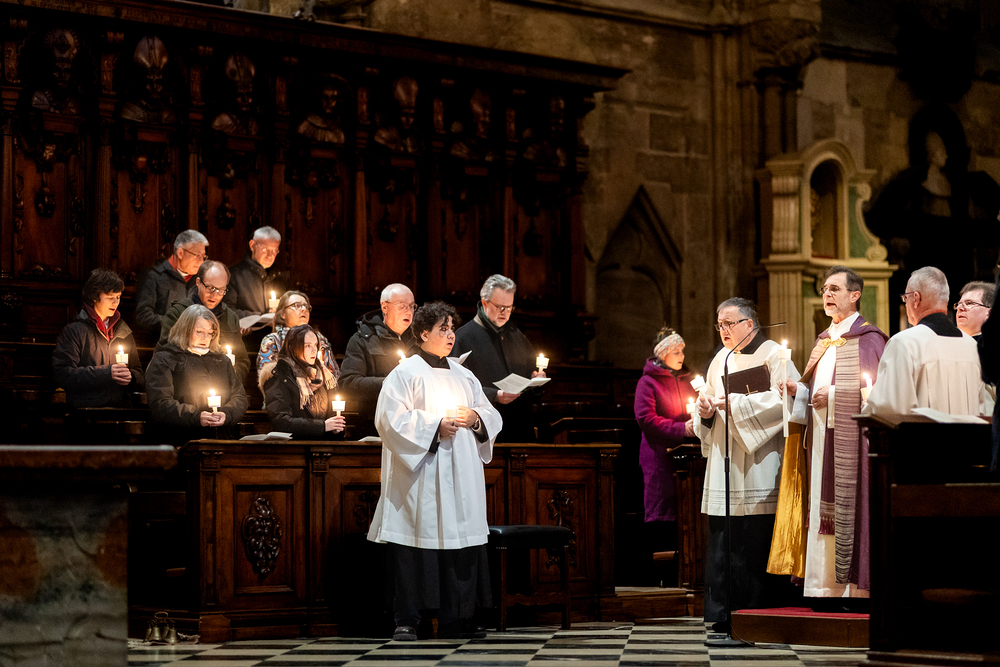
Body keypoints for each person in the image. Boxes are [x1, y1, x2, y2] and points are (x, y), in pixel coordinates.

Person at [368, 301, 502, 641]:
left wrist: (475, 418)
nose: (450, 335)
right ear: (423, 333)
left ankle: (457, 618)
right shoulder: (405, 374)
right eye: (442, 329)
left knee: (460, 542)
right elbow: (389, 421)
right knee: (415, 544)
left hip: (460, 473)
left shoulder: (464, 374)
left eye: (452, 328)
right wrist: (434, 426)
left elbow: (491, 414)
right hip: (422, 475)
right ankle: (408, 619)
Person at [776, 266, 887, 607]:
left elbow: (877, 393)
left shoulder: (870, 339)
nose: (827, 294)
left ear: (855, 295)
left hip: (852, 444)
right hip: (821, 443)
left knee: (851, 508)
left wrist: (836, 395)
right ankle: (822, 588)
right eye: (825, 289)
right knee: (820, 509)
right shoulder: (823, 341)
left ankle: (854, 590)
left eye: (835, 289)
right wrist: (798, 391)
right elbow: (813, 394)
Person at [693, 297, 800, 632]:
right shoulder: (720, 359)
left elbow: (786, 400)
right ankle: (723, 613)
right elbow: (707, 403)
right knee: (724, 540)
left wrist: (736, 404)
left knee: (754, 540)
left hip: (759, 463)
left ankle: (757, 611)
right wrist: (705, 411)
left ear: (749, 324)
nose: (723, 330)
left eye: (729, 323)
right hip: (725, 461)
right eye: (719, 324)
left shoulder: (774, 354)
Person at [862, 267, 984, 418]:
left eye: (905, 298)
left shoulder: (904, 343)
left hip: (923, 434)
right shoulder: (972, 347)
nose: (905, 303)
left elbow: (888, 410)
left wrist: (867, 407)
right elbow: (983, 411)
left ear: (916, 298)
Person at [633, 327, 696, 584]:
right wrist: (682, 429)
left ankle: (686, 572)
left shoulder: (687, 380)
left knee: (686, 513)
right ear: (663, 354)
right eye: (676, 352)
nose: (682, 356)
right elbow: (646, 419)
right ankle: (661, 577)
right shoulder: (648, 382)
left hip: (686, 457)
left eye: (682, 351)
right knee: (663, 514)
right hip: (659, 458)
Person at [451, 275, 546, 442]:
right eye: (500, 307)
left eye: (509, 307)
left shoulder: (516, 335)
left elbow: (531, 374)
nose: (505, 313)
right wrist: (494, 395)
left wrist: (536, 380)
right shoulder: (463, 338)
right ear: (484, 302)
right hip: (486, 430)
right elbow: (457, 386)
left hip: (520, 426)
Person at [146, 305, 248, 444]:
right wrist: (196, 417)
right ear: (185, 329)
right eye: (199, 332)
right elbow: (160, 403)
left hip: (221, 438)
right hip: (181, 439)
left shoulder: (222, 361)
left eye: (210, 333)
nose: (205, 338)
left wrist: (226, 414)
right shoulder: (165, 359)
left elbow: (239, 397)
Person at [52, 268, 145, 408]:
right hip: (88, 410)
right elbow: (63, 374)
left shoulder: (123, 331)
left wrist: (131, 377)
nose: (116, 303)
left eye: (118, 297)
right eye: (110, 298)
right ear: (95, 297)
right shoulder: (74, 331)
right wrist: (106, 373)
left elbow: (139, 373)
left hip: (121, 408)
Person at [339, 283, 420, 429]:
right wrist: (391, 383)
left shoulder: (420, 340)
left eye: (412, 306)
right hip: (375, 422)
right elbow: (348, 383)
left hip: (415, 422)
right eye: (402, 306)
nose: (408, 311)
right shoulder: (363, 339)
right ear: (384, 307)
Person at [157, 261, 250, 383]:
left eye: (221, 290)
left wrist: (233, 375)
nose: (214, 295)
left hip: (221, 386)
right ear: (198, 282)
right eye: (211, 288)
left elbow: (242, 360)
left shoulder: (231, 318)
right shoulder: (178, 313)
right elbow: (164, 355)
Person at [262, 324, 345, 439]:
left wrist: (337, 429)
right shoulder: (280, 376)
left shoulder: (325, 376)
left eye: (315, 345)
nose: (314, 350)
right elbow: (281, 422)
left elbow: (332, 419)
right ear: (292, 348)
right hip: (294, 446)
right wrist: (323, 426)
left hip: (322, 445)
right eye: (307, 346)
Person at [257, 291, 340, 394]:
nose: (304, 309)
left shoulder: (320, 340)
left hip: (319, 398)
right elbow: (267, 380)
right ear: (282, 314)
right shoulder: (272, 341)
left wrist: (321, 378)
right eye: (296, 305)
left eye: (306, 306)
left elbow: (335, 376)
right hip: (284, 398)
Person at [134, 230, 208, 336]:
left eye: (203, 256)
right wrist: (176, 323)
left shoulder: (200, 280)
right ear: (180, 253)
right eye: (196, 255)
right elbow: (143, 317)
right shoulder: (153, 276)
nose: (201, 261)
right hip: (162, 342)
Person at [224, 226, 283, 345]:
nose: (270, 255)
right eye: (265, 249)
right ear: (252, 245)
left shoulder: (279, 276)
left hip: (274, 342)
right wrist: (260, 317)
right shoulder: (234, 275)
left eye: (274, 251)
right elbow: (227, 310)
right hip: (246, 342)